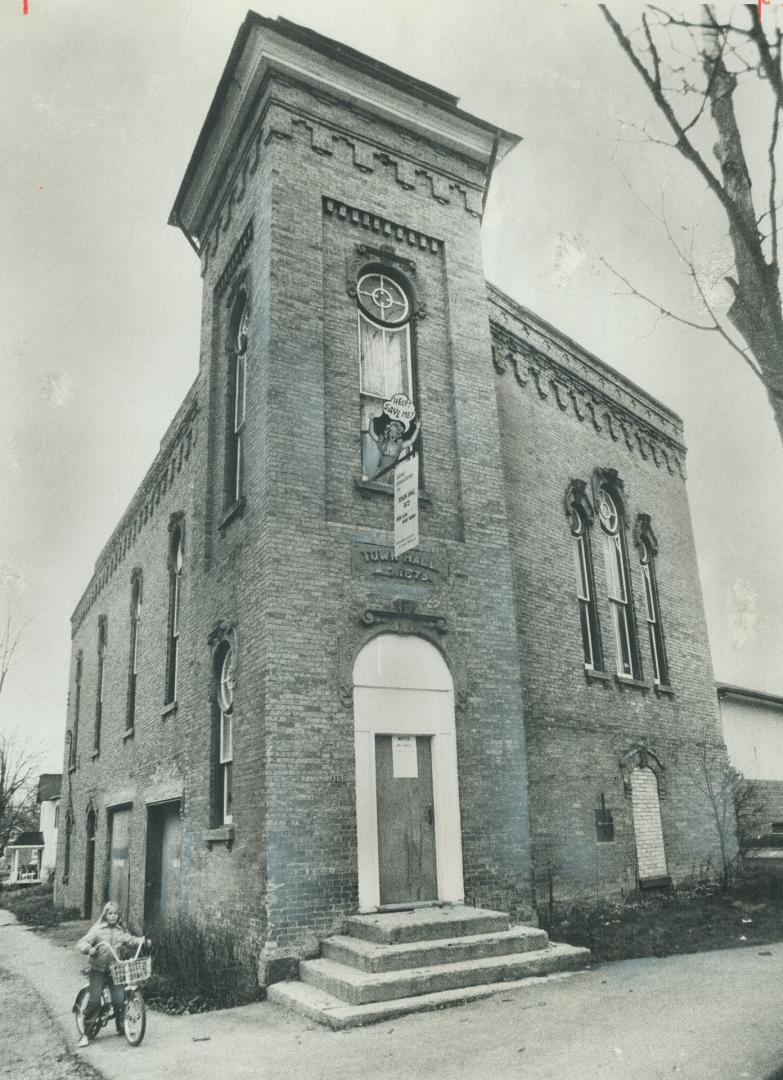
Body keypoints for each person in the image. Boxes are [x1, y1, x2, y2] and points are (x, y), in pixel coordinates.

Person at [76, 901, 148, 1047]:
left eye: (115, 914)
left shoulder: (119, 931)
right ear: (105, 914)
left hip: (115, 969)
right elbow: (81, 942)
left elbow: (130, 940)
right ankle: (86, 1033)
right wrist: (88, 949)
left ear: (118, 915)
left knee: (119, 999)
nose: (113, 916)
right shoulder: (97, 930)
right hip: (98, 969)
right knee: (95, 1000)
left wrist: (143, 941)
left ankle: (122, 1026)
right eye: (110, 913)